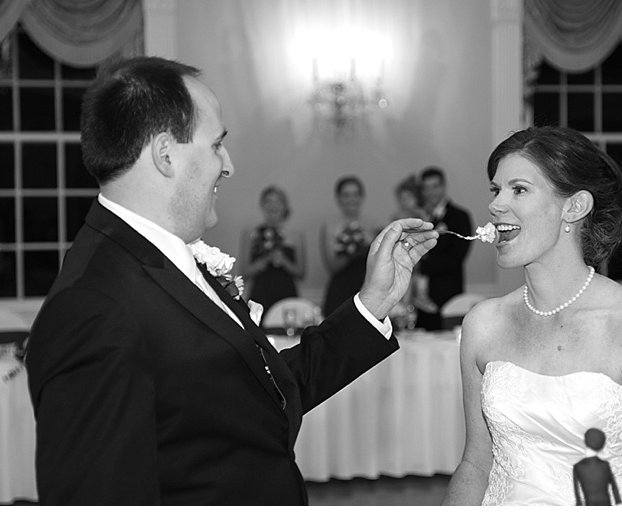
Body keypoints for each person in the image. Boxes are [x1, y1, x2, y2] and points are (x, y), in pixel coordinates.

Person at [24, 56, 438, 505]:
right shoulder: (92, 308)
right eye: (217, 145)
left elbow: (262, 393)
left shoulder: (169, 259)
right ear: (165, 154)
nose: (229, 165)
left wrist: (373, 302)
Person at [442, 126, 622, 506]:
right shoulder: (482, 324)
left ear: (574, 207)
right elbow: (476, 464)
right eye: (496, 190)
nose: (496, 205)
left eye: (519, 189)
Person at [415, 166, 473, 330]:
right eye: (426, 188)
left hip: (447, 295)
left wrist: (420, 266)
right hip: (420, 299)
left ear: (443, 186)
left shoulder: (460, 217)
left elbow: (456, 257)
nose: (431, 192)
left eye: (435, 186)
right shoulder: (419, 218)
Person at [319, 175, 381, 317]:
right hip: (340, 289)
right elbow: (332, 266)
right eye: (346, 195)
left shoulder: (373, 225)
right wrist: (352, 248)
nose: (351, 199)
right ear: (338, 199)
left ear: (361, 197)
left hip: (366, 289)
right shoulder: (330, 226)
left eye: (355, 194)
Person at [239, 185, 305, 315]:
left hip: (286, 293)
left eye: (278, 201)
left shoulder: (296, 235)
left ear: (285, 205)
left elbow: (301, 273)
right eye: (268, 201)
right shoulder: (250, 233)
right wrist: (263, 262)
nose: (273, 206)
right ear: (262, 205)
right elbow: (244, 272)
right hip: (260, 293)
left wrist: (283, 261)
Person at [390, 175, 437, 316]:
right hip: (402, 254)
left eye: (408, 198)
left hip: (419, 255)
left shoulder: (421, 215)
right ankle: (403, 307)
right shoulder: (398, 217)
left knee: (420, 276)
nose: (404, 202)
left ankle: (421, 296)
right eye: (401, 199)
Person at [573, 428, 622, 506]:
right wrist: (618, 502)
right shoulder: (605, 465)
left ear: (585, 441)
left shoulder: (578, 466)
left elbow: (577, 492)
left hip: (590, 504)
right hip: (606, 504)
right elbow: (614, 486)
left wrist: (578, 505)